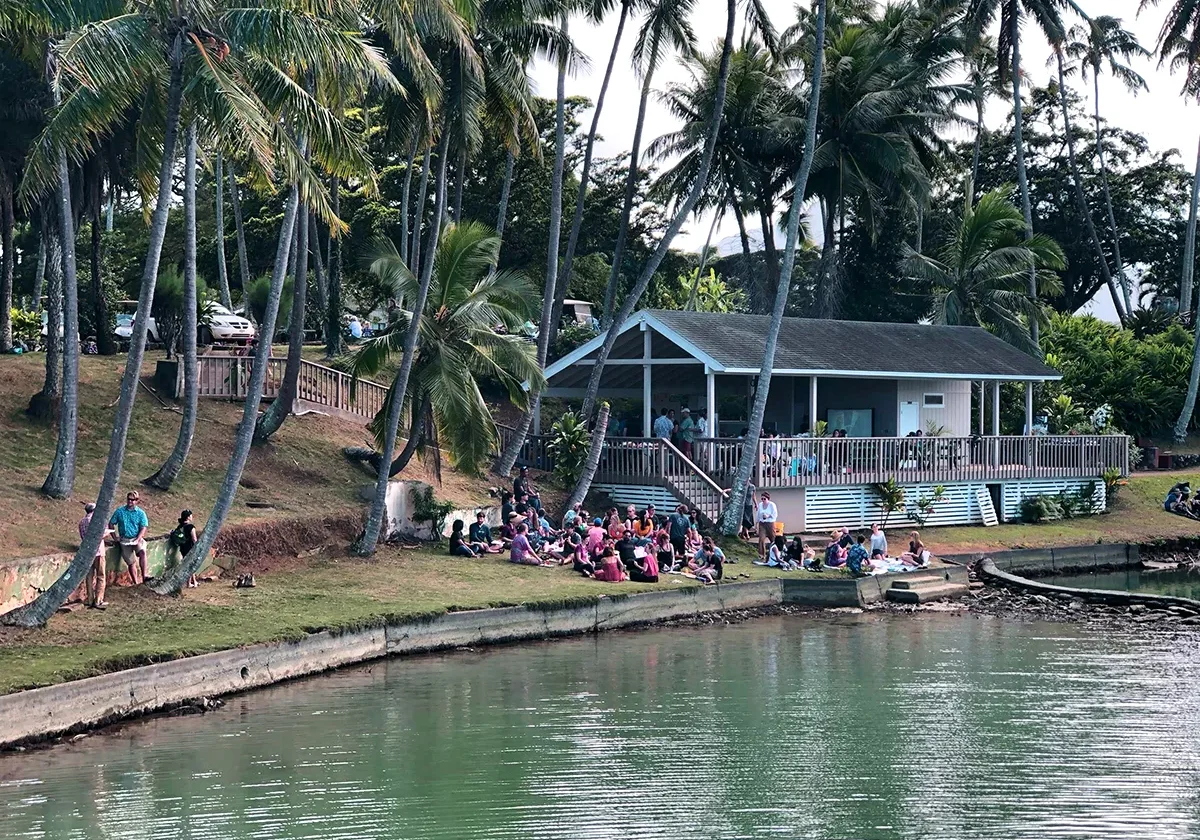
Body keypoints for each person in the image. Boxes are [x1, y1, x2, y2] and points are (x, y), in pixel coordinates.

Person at [109, 490, 149, 585]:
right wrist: (115, 537)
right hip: (125, 539)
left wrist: (138, 539)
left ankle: (144, 576)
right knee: (131, 562)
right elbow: (111, 524)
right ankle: (135, 582)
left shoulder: (140, 513)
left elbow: (143, 527)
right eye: (129, 499)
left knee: (142, 552)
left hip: (136, 537)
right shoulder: (120, 511)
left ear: (136, 501)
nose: (130, 501)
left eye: (133, 500)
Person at [79, 502, 114, 609]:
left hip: (87, 553)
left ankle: (90, 599)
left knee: (89, 577)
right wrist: (108, 532)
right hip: (98, 552)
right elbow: (100, 535)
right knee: (101, 576)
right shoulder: (95, 521)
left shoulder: (82, 522)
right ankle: (98, 600)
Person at [169, 509, 200, 588]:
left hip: (183, 548)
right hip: (190, 547)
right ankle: (189, 583)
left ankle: (194, 581)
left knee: (188, 564)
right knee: (190, 565)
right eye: (191, 515)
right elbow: (194, 539)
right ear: (188, 517)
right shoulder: (191, 527)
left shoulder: (180, 526)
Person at [755, 491, 779, 561]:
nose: (763, 500)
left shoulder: (772, 505)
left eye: (764, 499)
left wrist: (768, 516)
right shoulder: (760, 505)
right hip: (762, 524)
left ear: (768, 499)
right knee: (761, 539)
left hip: (770, 524)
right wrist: (756, 523)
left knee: (773, 539)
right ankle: (762, 554)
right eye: (762, 499)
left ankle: (776, 553)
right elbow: (758, 514)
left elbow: (775, 514)